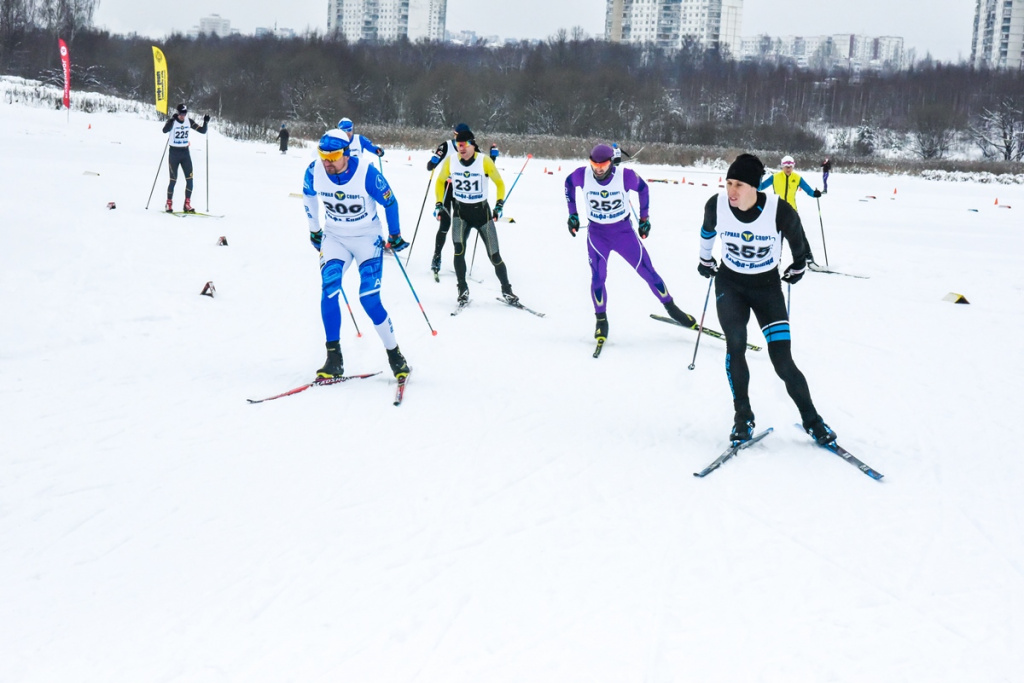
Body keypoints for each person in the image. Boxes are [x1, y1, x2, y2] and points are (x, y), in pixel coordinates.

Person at [696, 153, 836, 446]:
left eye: (739, 185)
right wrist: (704, 259)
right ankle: (742, 417)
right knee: (735, 345)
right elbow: (707, 231)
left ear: (755, 186)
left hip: (767, 288)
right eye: (729, 183)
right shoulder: (717, 205)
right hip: (730, 285)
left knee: (782, 360)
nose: (732, 191)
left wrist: (798, 268)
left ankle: (813, 420)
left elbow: (799, 246)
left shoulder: (779, 211)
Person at [302, 129, 411, 380]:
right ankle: (333, 359)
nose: (327, 162)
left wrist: (394, 235)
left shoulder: (366, 173)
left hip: (366, 238)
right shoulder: (314, 171)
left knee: (369, 299)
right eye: (323, 156)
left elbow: (390, 202)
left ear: (347, 155)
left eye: (334, 156)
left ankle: (395, 354)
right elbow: (308, 196)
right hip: (335, 237)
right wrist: (314, 230)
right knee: (329, 289)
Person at [564, 144, 696, 343]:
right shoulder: (582, 175)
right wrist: (572, 214)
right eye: (594, 164)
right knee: (598, 278)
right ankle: (601, 320)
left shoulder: (625, 176)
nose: (598, 169)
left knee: (648, 271)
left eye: (603, 164)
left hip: (623, 232)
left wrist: (645, 219)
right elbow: (568, 184)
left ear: (611, 162)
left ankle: (673, 309)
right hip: (597, 234)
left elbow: (643, 189)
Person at [433, 125, 518, 306]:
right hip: (461, 214)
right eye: (458, 145)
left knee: (495, 255)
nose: (460, 149)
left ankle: (507, 290)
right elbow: (440, 181)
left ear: (472, 144)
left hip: (482, 215)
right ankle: (462, 289)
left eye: (463, 145)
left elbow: (500, 183)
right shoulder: (451, 161)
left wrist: (499, 204)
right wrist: (439, 203)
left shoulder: (484, 161)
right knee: (459, 251)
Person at [427, 123, 477, 277]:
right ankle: (436, 257)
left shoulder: (472, 148)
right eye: (455, 136)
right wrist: (433, 162)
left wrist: (493, 158)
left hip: (463, 192)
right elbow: (430, 166)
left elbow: (483, 169)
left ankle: (459, 259)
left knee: (462, 227)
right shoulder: (446, 146)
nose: (457, 139)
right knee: (445, 223)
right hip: (447, 189)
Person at [161, 103, 209, 213]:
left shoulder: (189, 121)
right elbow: (164, 130)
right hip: (174, 152)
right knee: (173, 180)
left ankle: (187, 204)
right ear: (178, 113)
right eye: (181, 113)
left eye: (185, 113)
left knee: (190, 179)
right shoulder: (172, 121)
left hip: (185, 153)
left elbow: (202, 131)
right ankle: (169, 203)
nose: (183, 115)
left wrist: (205, 122)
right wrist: (171, 121)